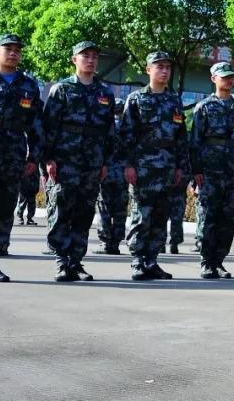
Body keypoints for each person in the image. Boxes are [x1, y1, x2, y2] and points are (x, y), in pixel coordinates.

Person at [42, 41, 115, 282]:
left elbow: (108, 131)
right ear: (74, 59)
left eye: (94, 56)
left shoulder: (105, 93)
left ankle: (76, 261)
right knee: (62, 211)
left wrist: (105, 161)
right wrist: (48, 159)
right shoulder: (62, 89)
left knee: (84, 213)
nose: (91, 60)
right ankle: (62, 261)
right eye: (85, 55)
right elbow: (49, 126)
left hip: (92, 162)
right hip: (65, 161)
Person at [120, 51, 190, 281]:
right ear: (148, 70)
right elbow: (127, 135)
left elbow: (181, 137)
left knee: (161, 216)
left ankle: (152, 260)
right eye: (159, 66)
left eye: (167, 67)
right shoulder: (137, 99)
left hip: (168, 168)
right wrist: (128, 165)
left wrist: (181, 166)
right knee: (142, 214)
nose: (164, 71)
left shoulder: (174, 101)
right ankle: (138, 261)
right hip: (143, 167)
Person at [0, 34, 43, 283]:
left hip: (13, 157)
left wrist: (35, 156)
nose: (13, 53)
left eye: (17, 50)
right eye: (8, 49)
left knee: (4, 211)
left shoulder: (28, 86)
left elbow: (36, 124)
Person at [189, 61, 234, 279]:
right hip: (210, 172)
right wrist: (195, 172)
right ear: (213, 79)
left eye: (231, 76)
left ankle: (219, 261)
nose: (228, 80)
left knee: (229, 219)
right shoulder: (204, 107)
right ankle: (207, 261)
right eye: (224, 76)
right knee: (209, 217)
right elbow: (195, 142)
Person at [93, 103, 128, 254]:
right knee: (120, 209)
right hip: (123, 174)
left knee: (104, 208)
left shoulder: (105, 126)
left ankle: (105, 242)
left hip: (106, 172)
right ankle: (116, 242)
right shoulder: (128, 127)